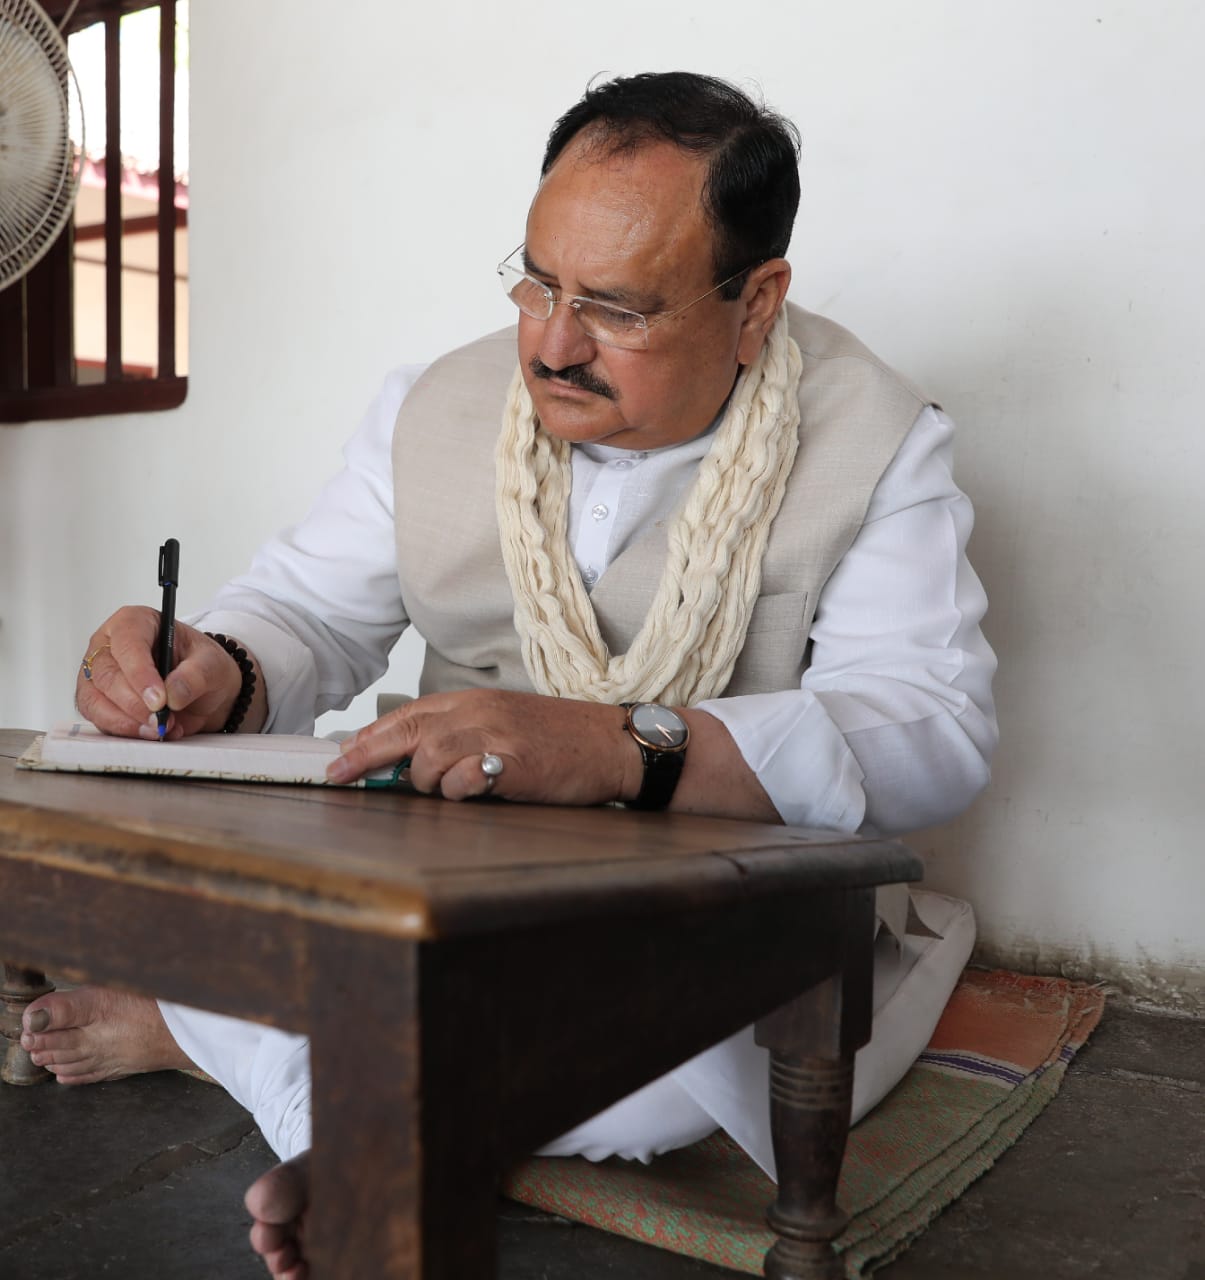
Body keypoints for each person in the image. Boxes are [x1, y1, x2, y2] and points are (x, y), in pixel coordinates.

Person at [21, 71, 997, 1279]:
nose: (550, 340)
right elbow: (305, 605)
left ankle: (293, 1093)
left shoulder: (875, 437)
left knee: (653, 1082)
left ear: (756, 303)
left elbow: (930, 725)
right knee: (226, 898)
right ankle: (345, 1111)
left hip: (705, 899)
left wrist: (621, 747)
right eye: (536, 279)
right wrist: (216, 663)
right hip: (435, 860)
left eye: (617, 308)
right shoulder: (439, 403)